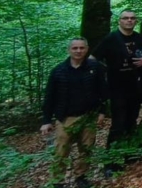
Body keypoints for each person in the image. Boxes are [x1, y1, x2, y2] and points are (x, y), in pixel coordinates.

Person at [90, 9, 142, 174]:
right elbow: (93, 59)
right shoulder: (111, 39)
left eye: (132, 18)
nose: (129, 21)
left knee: (132, 121)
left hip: (135, 86)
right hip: (116, 87)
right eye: (126, 18)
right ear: (119, 21)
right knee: (118, 124)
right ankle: (111, 162)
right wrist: (104, 73)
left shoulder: (140, 39)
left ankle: (130, 155)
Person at [41, 38, 108, 188]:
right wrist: (46, 121)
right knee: (61, 150)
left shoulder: (95, 67)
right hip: (65, 118)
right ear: (69, 50)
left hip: (89, 116)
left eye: (82, 48)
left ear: (87, 49)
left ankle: (81, 177)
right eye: (75, 48)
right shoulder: (58, 71)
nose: (78, 51)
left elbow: (103, 91)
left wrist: (102, 112)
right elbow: (49, 97)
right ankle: (58, 181)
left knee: (86, 148)